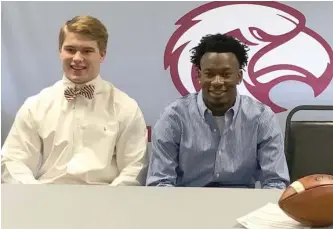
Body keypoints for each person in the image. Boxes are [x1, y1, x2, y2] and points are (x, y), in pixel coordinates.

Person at [1, 15, 148, 185]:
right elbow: (13, 160)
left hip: (106, 203)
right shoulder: (35, 106)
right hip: (47, 202)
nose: (77, 58)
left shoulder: (125, 107)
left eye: (87, 51)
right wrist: (38, 197)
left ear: (102, 54)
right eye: (70, 49)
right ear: (60, 52)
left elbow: (134, 168)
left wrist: (110, 203)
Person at [146, 33, 290, 189]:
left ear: (239, 76)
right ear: (199, 76)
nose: (217, 82)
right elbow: (159, 182)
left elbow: (276, 182)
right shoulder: (174, 117)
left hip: (244, 205)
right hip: (186, 205)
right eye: (209, 74)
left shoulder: (262, 118)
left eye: (226, 74)